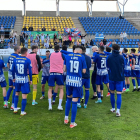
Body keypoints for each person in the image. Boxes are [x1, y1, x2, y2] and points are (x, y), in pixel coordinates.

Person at [64, 46, 87, 128]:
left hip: (68, 80)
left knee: (68, 98)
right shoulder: (82, 57)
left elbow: (64, 69)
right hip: (77, 81)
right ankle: (72, 122)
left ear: (74, 51)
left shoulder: (67, 56)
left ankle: (66, 119)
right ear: (80, 51)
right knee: (75, 101)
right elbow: (84, 71)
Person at [12, 48, 32, 116]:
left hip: (17, 79)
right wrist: (31, 79)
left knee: (16, 93)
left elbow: (12, 70)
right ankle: (22, 112)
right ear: (26, 52)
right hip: (24, 80)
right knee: (24, 96)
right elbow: (30, 71)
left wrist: (14, 78)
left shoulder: (15, 59)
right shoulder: (27, 60)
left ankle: (15, 109)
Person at [107, 44, 125, 117]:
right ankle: (118, 111)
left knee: (112, 93)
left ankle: (113, 108)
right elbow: (124, 65)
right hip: (120, 77)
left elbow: (107, 66)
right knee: (119, 94)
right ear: (119, 49)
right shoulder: (121, 57)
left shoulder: (109, 57)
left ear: (112, 48)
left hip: (112, 77)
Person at [48, 45, 65, 110]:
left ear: (54, 49)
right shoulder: (62, 54)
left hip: (52, 73)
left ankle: (50, 106)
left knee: (50, 89)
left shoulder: (51, 54)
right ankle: (59, 105)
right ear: (59, 49)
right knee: (61, 89)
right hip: (59, 73)